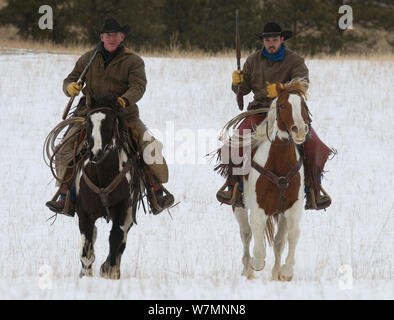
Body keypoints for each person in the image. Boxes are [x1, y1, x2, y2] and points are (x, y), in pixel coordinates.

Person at [46, 17, 174, 216]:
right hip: (89, 115)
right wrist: (69, 87)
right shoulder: (88, 58)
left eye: (116, 35)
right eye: (108, 35)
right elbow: (70, 79)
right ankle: (65, 194)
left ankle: (156, 192)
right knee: (65, 148)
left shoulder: (134, 61)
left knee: (150, 146)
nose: (112, 38)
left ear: (122, 37)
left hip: (124, 115)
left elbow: (138, 87)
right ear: (101, 37)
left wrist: (124, 100)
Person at [216, 22, 334, 210]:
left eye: (274, 40)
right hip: (260, 110)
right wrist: (237, 82)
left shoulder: (295, 60)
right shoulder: (253, 60)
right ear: (263, 41)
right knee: (235, 143)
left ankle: (314, 188)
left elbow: (303, 83)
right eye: (267, 40)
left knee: (314, 144)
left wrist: (283, 89)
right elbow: (244, 89)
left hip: (288, 112)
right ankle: (234, 186)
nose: (271, 43)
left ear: (282, 40)